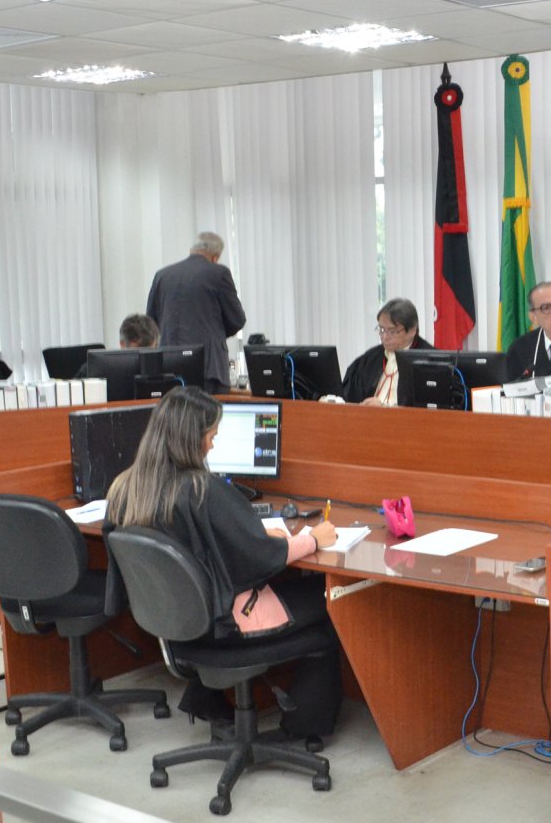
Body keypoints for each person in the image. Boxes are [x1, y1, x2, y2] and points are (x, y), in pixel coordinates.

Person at [105, 387, 342, 737]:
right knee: (332, 601)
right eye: (211, 436)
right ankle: (304, 728)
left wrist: (254, 537)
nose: (213, 445)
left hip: (177, 623)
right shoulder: (202, 489)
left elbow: (205, 548)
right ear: (191, 439)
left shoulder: (124, 488)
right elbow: (260, 558)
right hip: (227, 623)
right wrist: (314, 539)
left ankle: (208, 701)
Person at [145, 232, 245, 392]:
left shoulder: (162, 275)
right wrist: (215, 333)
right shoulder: (219, 273)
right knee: (209, 408)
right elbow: (237, 319)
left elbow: (151, 321)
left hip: (169, 365)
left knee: (176, 408)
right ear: (215, 257)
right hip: (209, 367)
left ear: (192, 250)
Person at [341, 298, 433, 406]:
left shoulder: (430, 362)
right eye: (381, 330)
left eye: (392, 331)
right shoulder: (369, 359)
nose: (384, 337)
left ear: (412, 330)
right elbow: (348, 397)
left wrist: (384, 407)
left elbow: (429, 407)